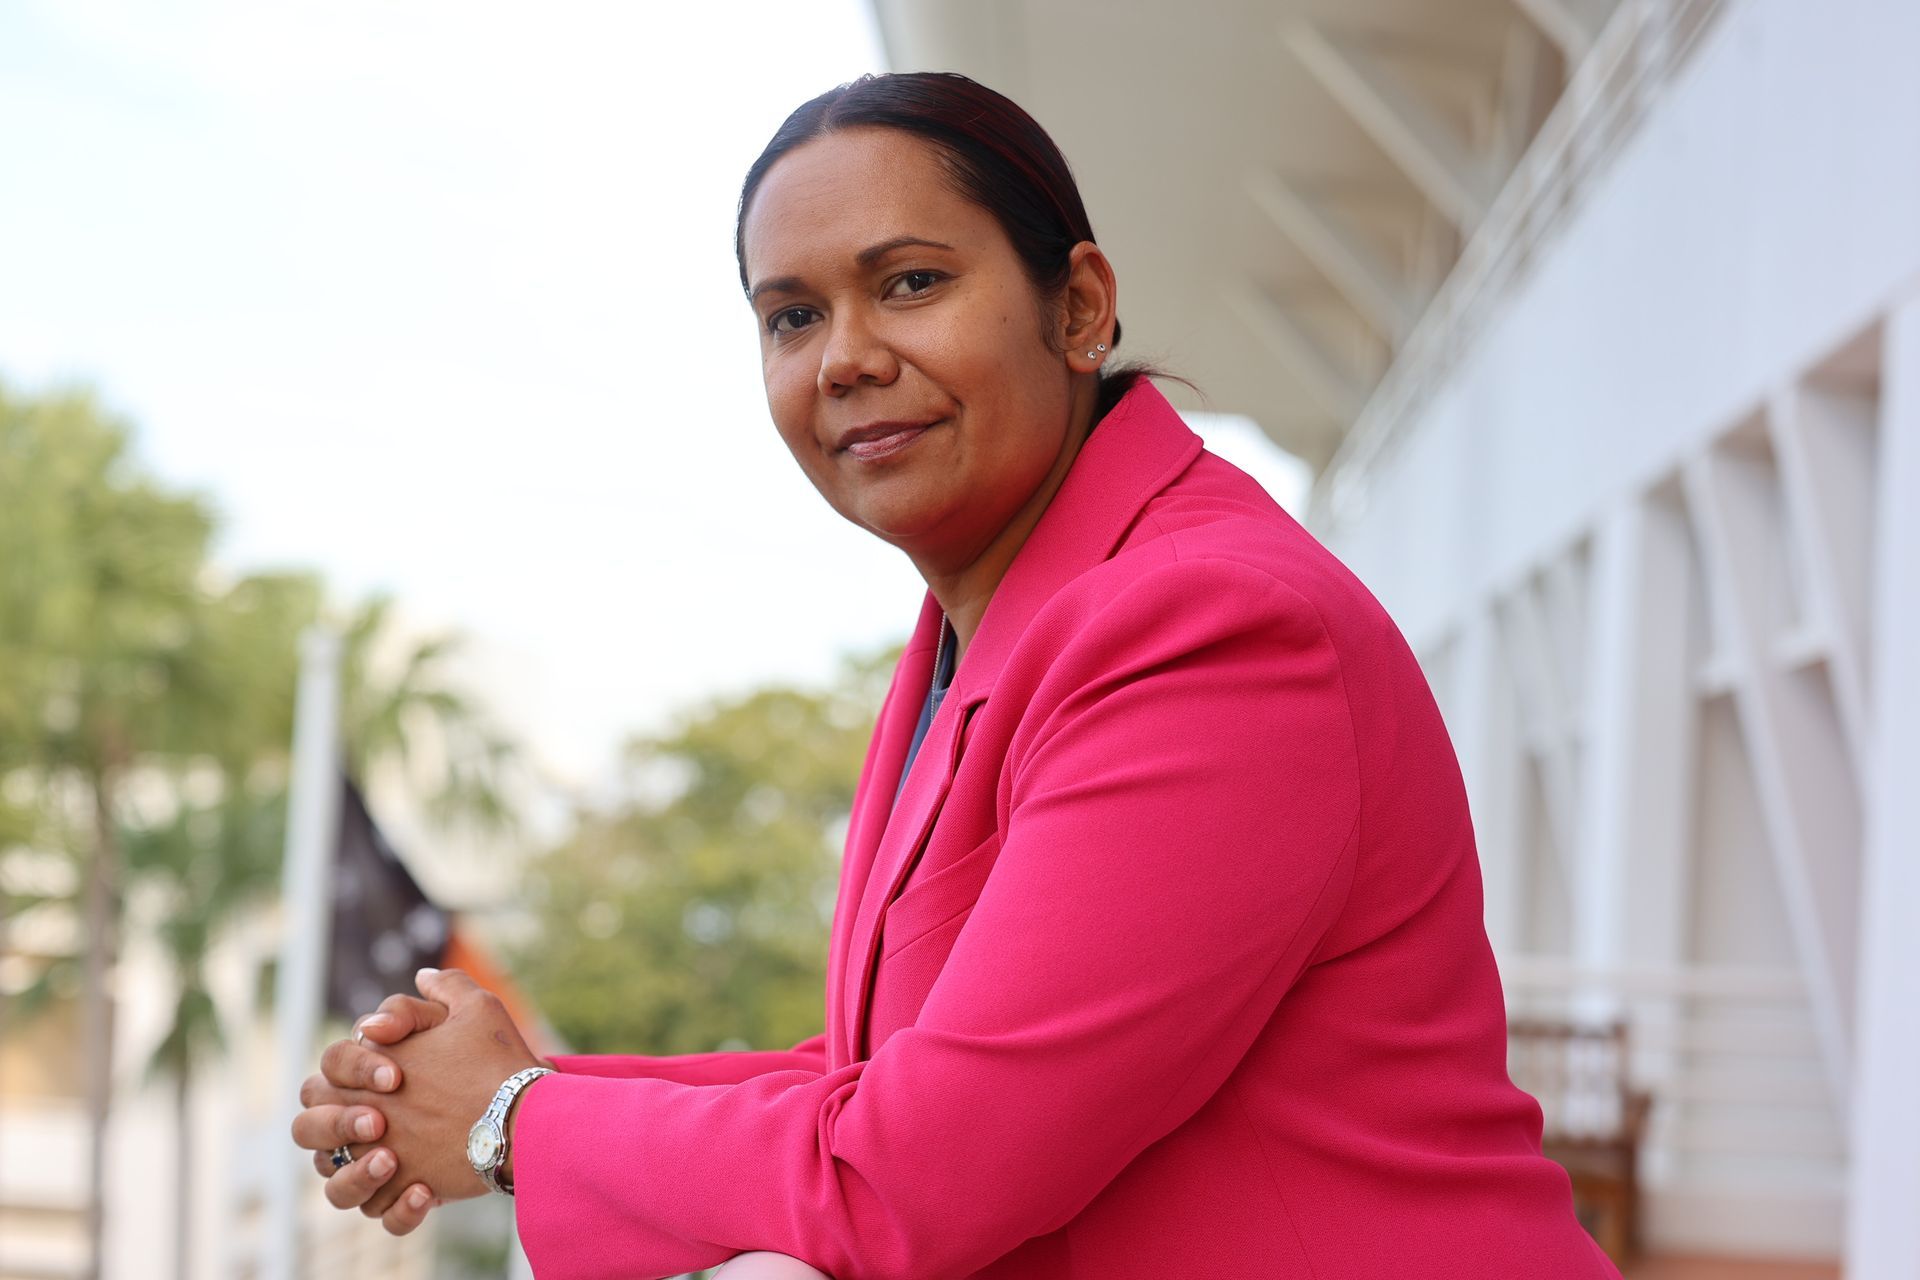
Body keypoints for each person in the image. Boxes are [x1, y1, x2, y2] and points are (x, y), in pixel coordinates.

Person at [292, 71, 1621, 1279]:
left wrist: (515, 1121)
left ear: (1078, 307)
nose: (847, 357)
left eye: (912, 283)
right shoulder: (976, 630)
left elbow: (912, 1173)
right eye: (792, 315)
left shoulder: (1212, 627)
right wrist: (500, 1089)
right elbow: (877, 1075)